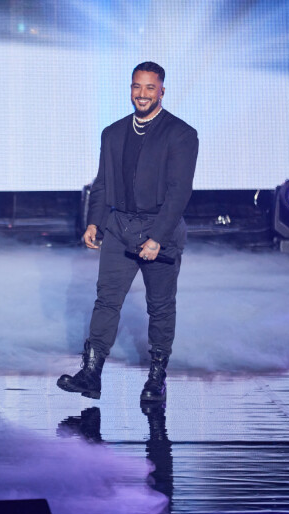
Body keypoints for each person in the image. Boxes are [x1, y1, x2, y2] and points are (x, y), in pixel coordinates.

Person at [57, 61, 199, 403]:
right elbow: (103, 182)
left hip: (158, 229)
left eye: (150, 88)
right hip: (119, 228)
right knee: (106, 300)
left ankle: (157, 379)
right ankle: (91, 375)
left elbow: (180, 192)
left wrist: (158, 237)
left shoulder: (181, 134)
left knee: (160, 306)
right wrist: (93, 221)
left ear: (162, 90)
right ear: (130, 88)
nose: (143, 94)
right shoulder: (113, 132)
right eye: (137, 87)